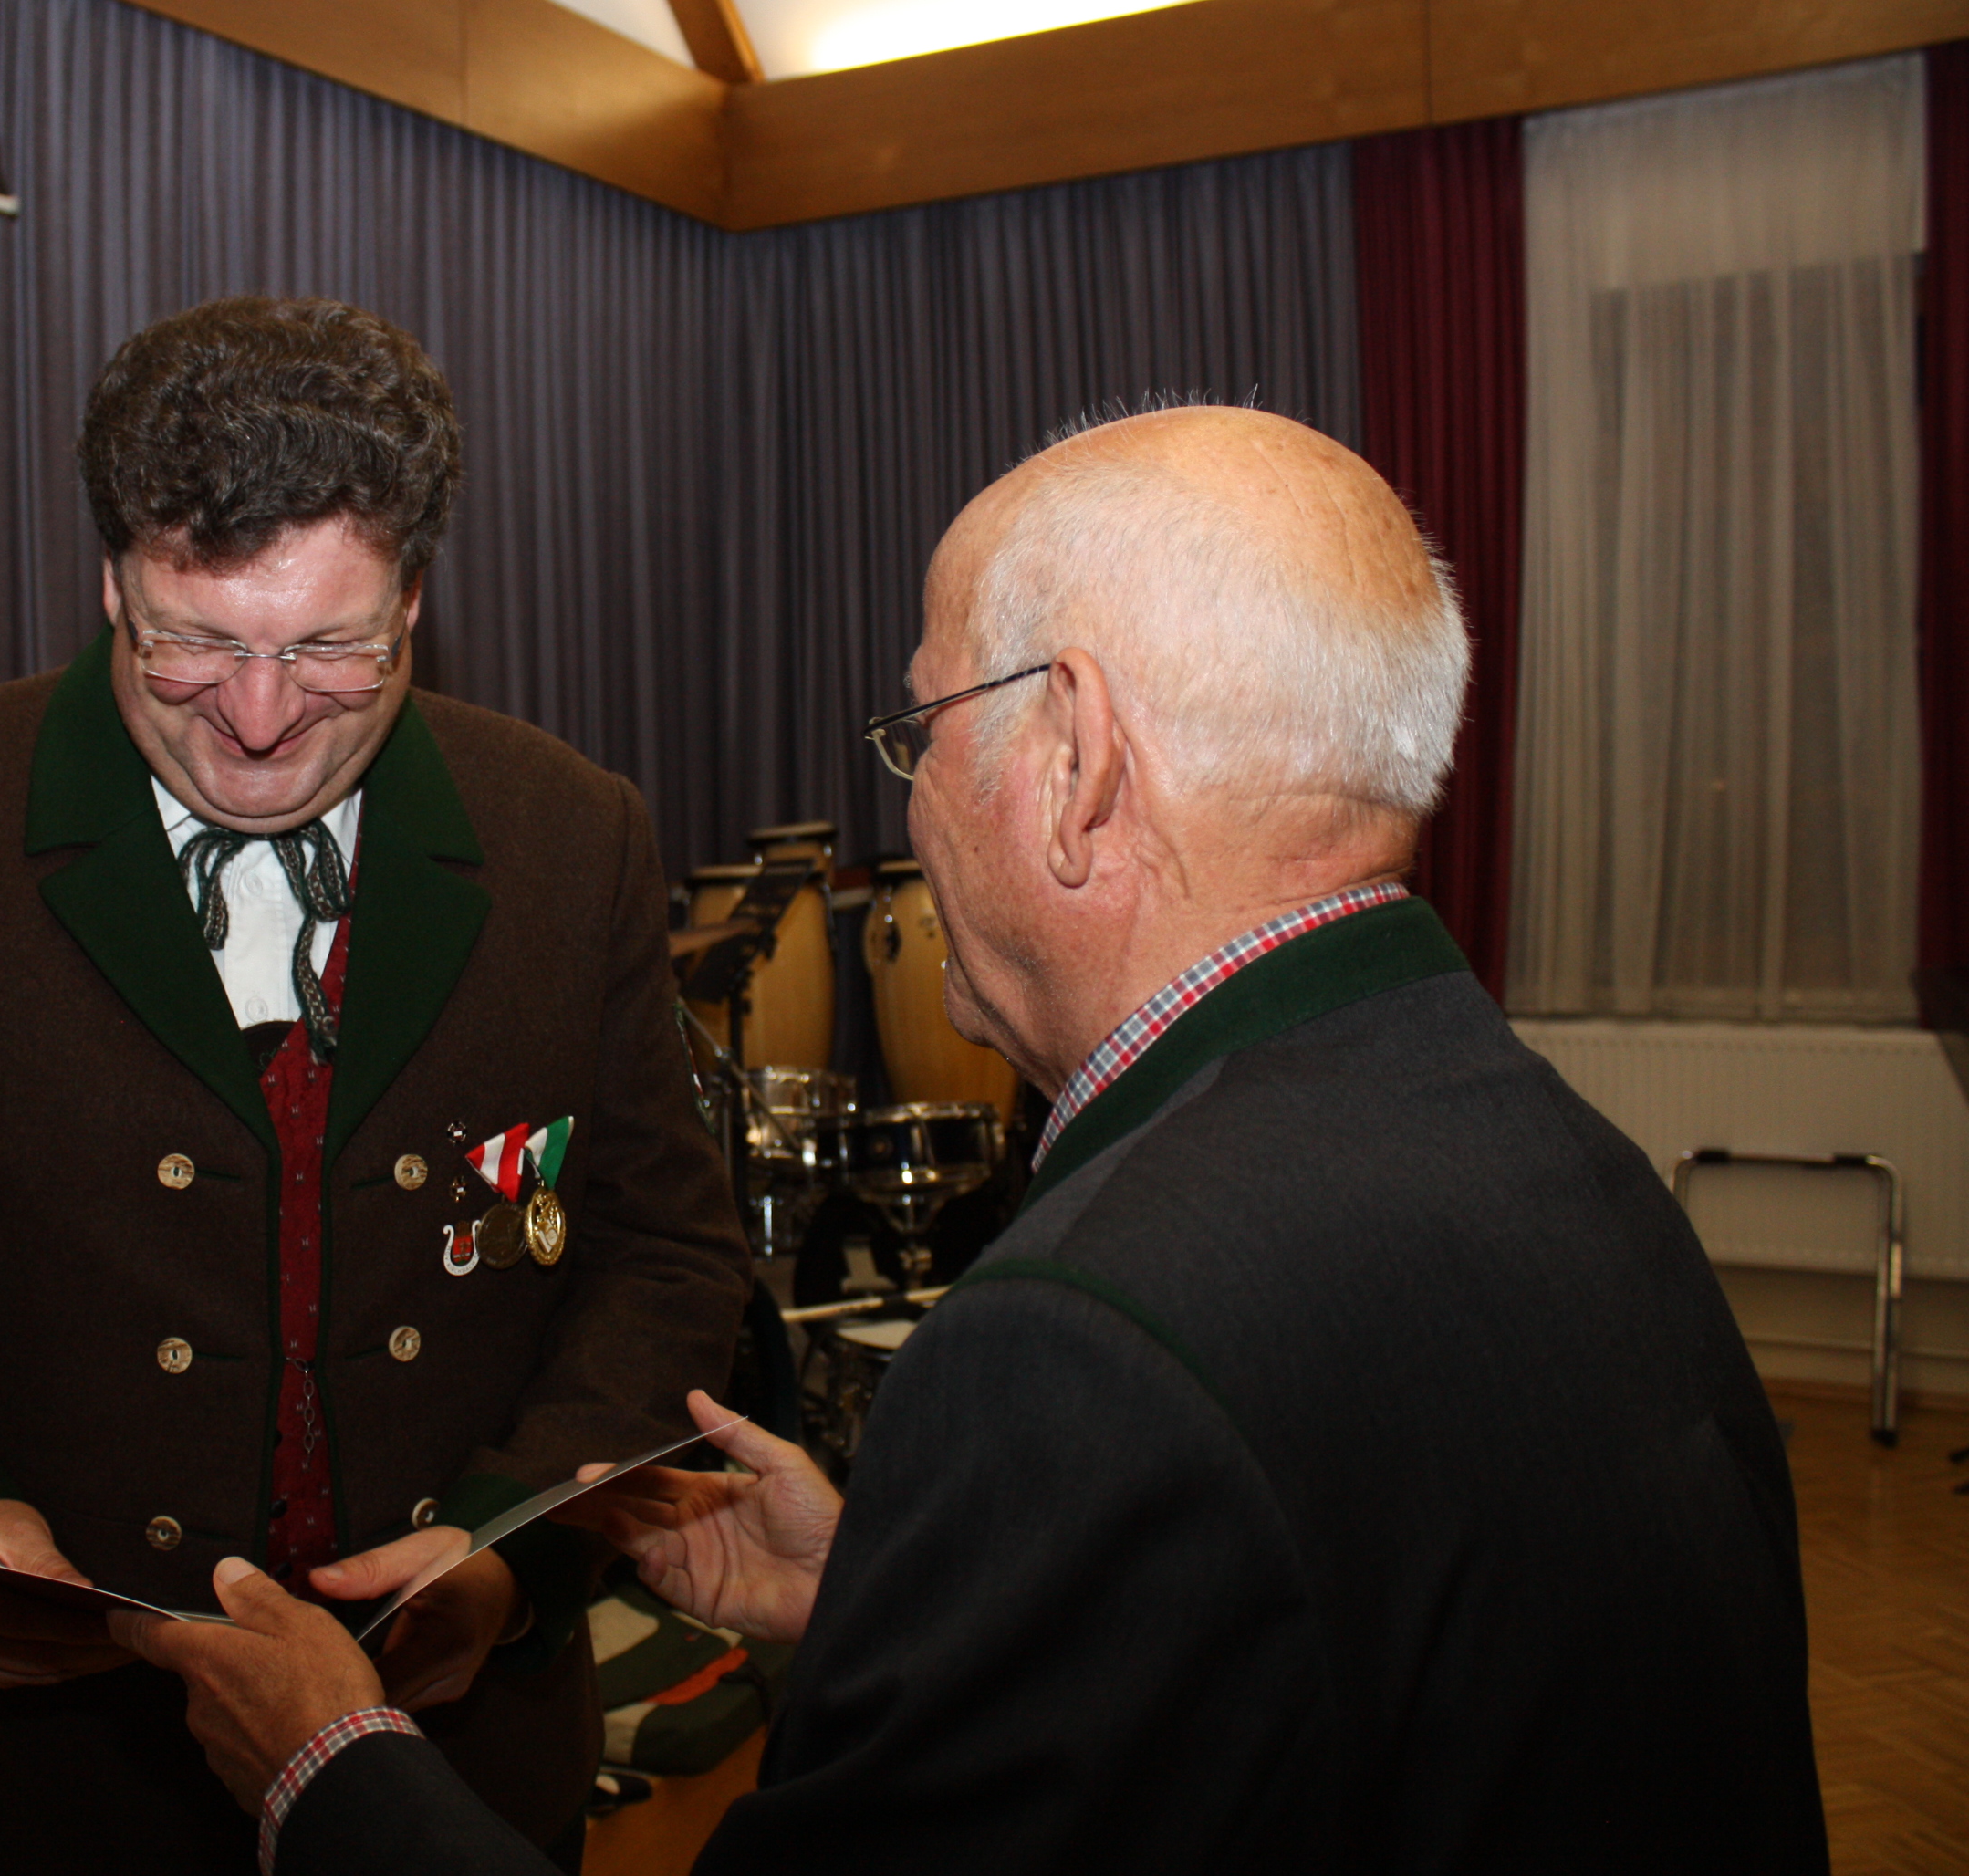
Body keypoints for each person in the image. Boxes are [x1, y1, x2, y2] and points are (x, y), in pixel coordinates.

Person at [120, 405, 1832, 1873]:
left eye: (925, 730)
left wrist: (325, 1766)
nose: (913, 798)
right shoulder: (1563, 1156)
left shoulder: (1082, 1342)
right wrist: (919, 1600)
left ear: (1076, 760)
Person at [0, 296, 748, 1874]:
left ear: (415, 600)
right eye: (195, 640)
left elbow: (665, 1252)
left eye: (331, 646)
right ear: (112, 581)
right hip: (51, 1780)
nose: (259, 719)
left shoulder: (571, 834)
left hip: (465, 1758)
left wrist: (515, 1553)